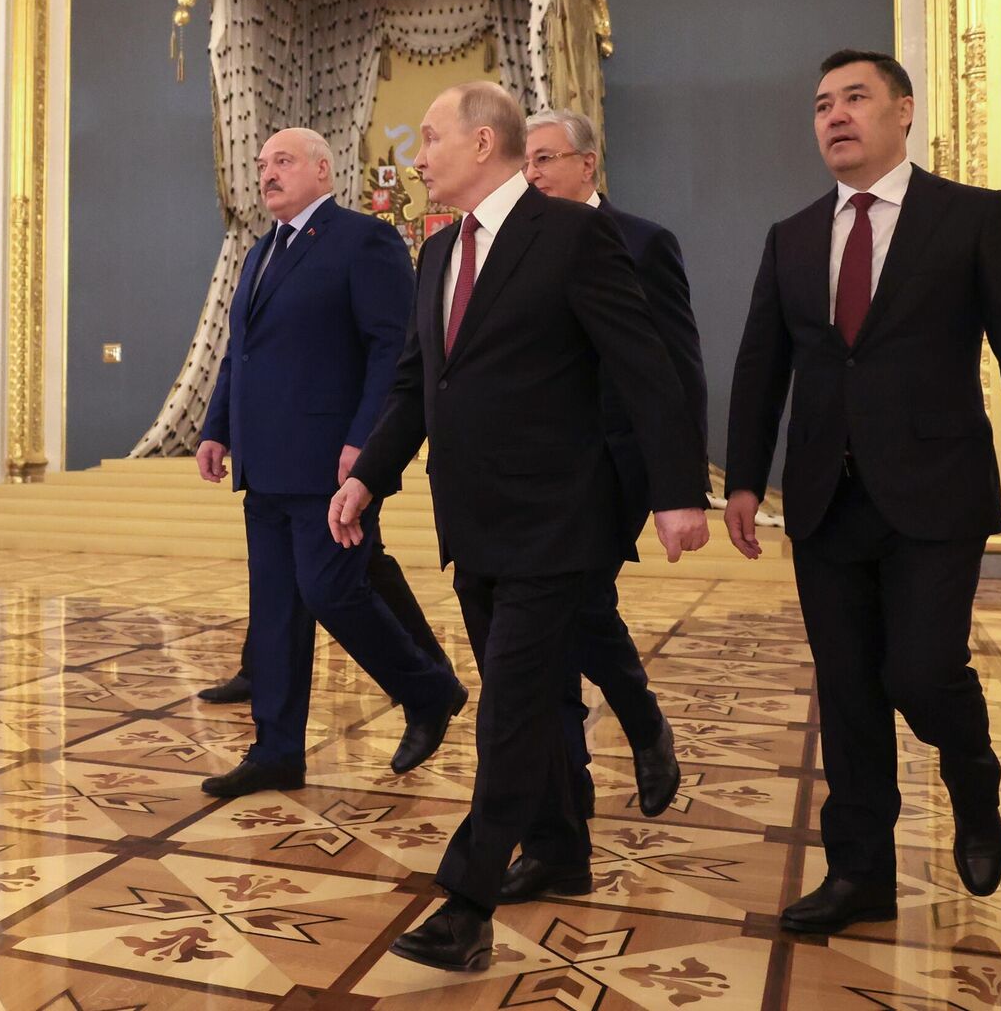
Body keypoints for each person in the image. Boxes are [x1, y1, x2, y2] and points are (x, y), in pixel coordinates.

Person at [330, 83, 709, 971]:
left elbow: (646, 366)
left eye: (430, 138)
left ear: (482, 142)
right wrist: (369, 476)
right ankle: (561, 848)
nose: (418, 156)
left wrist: (676, 490)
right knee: (530, 704)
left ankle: (466, 906)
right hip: (473, 522)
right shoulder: (437, 251)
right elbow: (417, 383)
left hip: (558, 520)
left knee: (508, 708)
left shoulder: (573, 235)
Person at [725, 49, 1001, 934]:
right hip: (823, 497)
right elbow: (762, 366)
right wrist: (743, 480)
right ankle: (860, 872)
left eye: (855, 98)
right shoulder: (793, 234)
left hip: (936, 491)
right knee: (847, 692)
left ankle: (972, 771)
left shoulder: (973, 216)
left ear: (903, 111)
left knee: (919, 671)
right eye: (821, 104)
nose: (834, 115)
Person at [471, 108, 708, 903]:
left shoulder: (643, 241)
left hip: (613, 469)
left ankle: (564, 828)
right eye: (527, 161)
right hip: (533, 475)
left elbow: (673, 368)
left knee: (568, 614)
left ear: (588, 164)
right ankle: (620, 749)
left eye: (546, 158)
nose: (533, 173)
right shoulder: (506, 243)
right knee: (569, 622)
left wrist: (678, 485)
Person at [197, 127, 466, 800]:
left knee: (331, 591)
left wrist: (366, 441)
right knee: (277, 611)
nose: (267, 173)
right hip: (264, 464)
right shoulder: (260, 251)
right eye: (262, 163)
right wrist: (217, 428)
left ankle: (428, 690)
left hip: (331, 464)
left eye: (283, 161)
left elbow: (392, 349)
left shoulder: (363, 240)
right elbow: (240, 353)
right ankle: (276, 752)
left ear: (323, 170)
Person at [195, 541, 451, 705]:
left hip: (343, 476)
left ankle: (432, 667)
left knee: (364, 557)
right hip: (288, 476)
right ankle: (257, 671)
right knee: (283, 558)